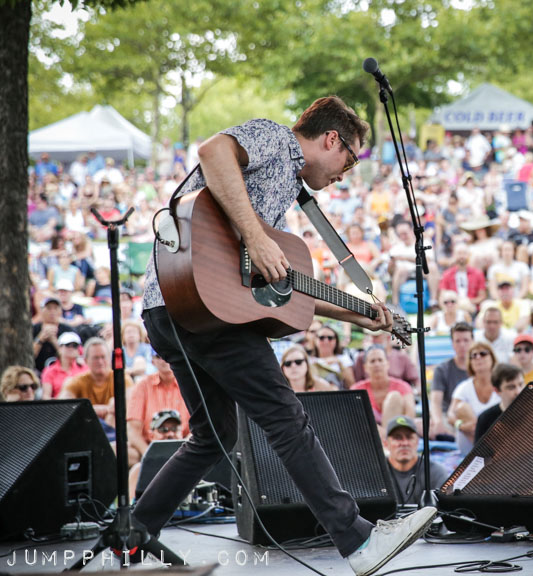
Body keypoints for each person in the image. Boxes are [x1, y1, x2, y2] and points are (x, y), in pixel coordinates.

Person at [135, 98, 435, 575]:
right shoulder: (275, 138)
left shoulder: (281, 191)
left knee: (214, 435)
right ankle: (357, 540)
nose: (345, 175)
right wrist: (256, 238)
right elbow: (213, 151)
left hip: (170, 309)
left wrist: (359, 315)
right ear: (331, 139)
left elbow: (279, 289)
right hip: (198, 309)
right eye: (349, 160)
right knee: (285, 417)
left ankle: (134, 534)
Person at [126, 354, 192, 467]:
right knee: (119, 451)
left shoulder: (189, 384)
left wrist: (185, 451)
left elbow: (199, 429)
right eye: (159, 356)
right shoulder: (142, 385)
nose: (164, 359)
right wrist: (150, 455)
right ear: (152, 361)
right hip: (148, 447)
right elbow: (133, 431)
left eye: (169, 353)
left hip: (184, 447)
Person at [59, 337, 133, 428]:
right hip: (86, 426)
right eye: (95, 358)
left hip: (114, 427)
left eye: (103, 357)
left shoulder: (121, 378)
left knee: (112, 416)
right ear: (86, 361)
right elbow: (63, 406)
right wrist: (99, 409)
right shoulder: (77, 381)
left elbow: (131, 404)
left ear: (109, 358)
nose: (100, 362)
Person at [383, 416, 449, 507]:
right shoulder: (377, 472)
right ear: (386, 443)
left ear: (417, 442)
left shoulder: (435, 472)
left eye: (409, 437)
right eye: (397, 438)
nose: (404, 443)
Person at [448, 342, 501, 454]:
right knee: (461, 407)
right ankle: (484, 452)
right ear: (470, 362)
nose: (478, 357)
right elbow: (450, 415)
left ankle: (487, 452)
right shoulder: (464, 387)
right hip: (469, 441)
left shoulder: (501, 385)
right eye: (473, 355)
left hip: (497, 436)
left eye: (483, 353)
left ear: (492, 358)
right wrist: (461, 425)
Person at [351, 346, 415, 436]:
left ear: (387, 364)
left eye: (380, 360)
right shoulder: (357, 389)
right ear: (365, 367)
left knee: (394, 397)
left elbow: (410, 415)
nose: (377, 364)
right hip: (368, 435)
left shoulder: (403, 386)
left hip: (397, 433)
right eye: (372, 361)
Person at [128, 410, 186, 500]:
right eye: (163, 430)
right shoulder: (139, 470)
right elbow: (131, 504)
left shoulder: (191, 466)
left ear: (181, 433)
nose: (170, 434)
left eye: (174, 429)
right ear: (151, 435)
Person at [430, 322, 473, 438]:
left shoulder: (480, 367)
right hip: (448, 417)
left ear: (472, 341)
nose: (462, 345)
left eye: (466, 340)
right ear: (452, 343)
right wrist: (438, 421)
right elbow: (435, 401)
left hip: (474, 416)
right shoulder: (442, 369)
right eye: (457, 341)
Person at [474, 363, 526, 442]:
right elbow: (479, 450)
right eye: (511, 387)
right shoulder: (485, 419)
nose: (518, 391)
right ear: (497, 390)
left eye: (521, 384)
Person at [353, 331, 420, 390]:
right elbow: (356, 383)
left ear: (388, 337)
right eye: (371, 337)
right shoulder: (362, 357)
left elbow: (417, 382)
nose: (372, 340)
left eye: (376, 337)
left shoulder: (402, 357)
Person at [32, 295, 75, 373]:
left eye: (55, 308)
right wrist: (40, 338)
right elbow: (29, 356)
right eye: (49, 308)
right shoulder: (33, 329)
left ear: (60, 311)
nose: (52, 311)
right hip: (36, 370)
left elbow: (73, 358)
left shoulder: (68, 331)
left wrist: (55, 341)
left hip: (61, 372)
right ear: (41, 311)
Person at [40, 331, 87, 399]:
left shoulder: (85, 369)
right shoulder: (49, 371)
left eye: (75, 345)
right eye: (67, 345)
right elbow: (46, 397)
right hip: (59, 404)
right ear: (60, 348)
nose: (71, 348)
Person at [311, 324, 355, 389]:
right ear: (315, 340)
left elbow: (352, 385)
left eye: (330, 338)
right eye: (321, 338)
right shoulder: (308, 360)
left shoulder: (344, 358)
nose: (326, 341)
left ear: (336, 340)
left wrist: (340, 364)